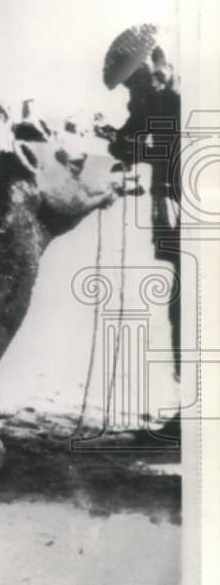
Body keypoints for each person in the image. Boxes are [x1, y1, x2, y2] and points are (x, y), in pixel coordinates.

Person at [104, 26, 182, 438]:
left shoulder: (185, 99)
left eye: (137, 80)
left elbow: (172, 151)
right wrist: (115, 139)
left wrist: (136, 150)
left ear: (157, 64)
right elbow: (130, 141)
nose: (134, 92)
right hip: (172, 214)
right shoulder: (152, 98)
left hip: (193, 213)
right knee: (181, 306)